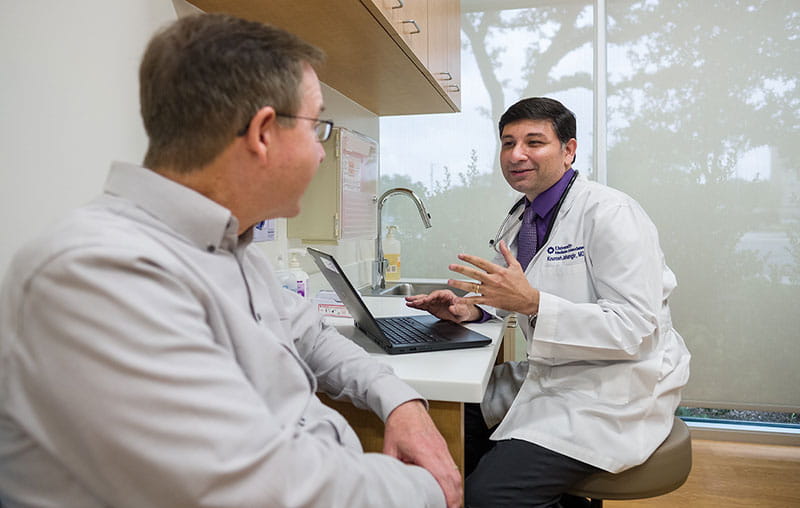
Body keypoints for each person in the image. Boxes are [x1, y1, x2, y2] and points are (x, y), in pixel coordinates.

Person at [0, 13, 461, 508]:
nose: (322, 153)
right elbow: (257, 492)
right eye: (319, 127)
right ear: (264, 132)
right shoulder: (95, 274)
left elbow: (316, 339)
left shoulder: (235, 251)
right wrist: (432, 491)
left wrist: (399, 400)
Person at [406, 97, 691, 508]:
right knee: (442, 416)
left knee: (491, 496)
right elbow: (526, 292)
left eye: (533, 142)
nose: (516, 155)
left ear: (569, 150)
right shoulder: (526, 216)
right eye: (507, 143)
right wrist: (474, 308)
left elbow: (635, 327)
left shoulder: (611, 213)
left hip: (614, 388)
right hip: (556, 376)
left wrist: (534, 302)